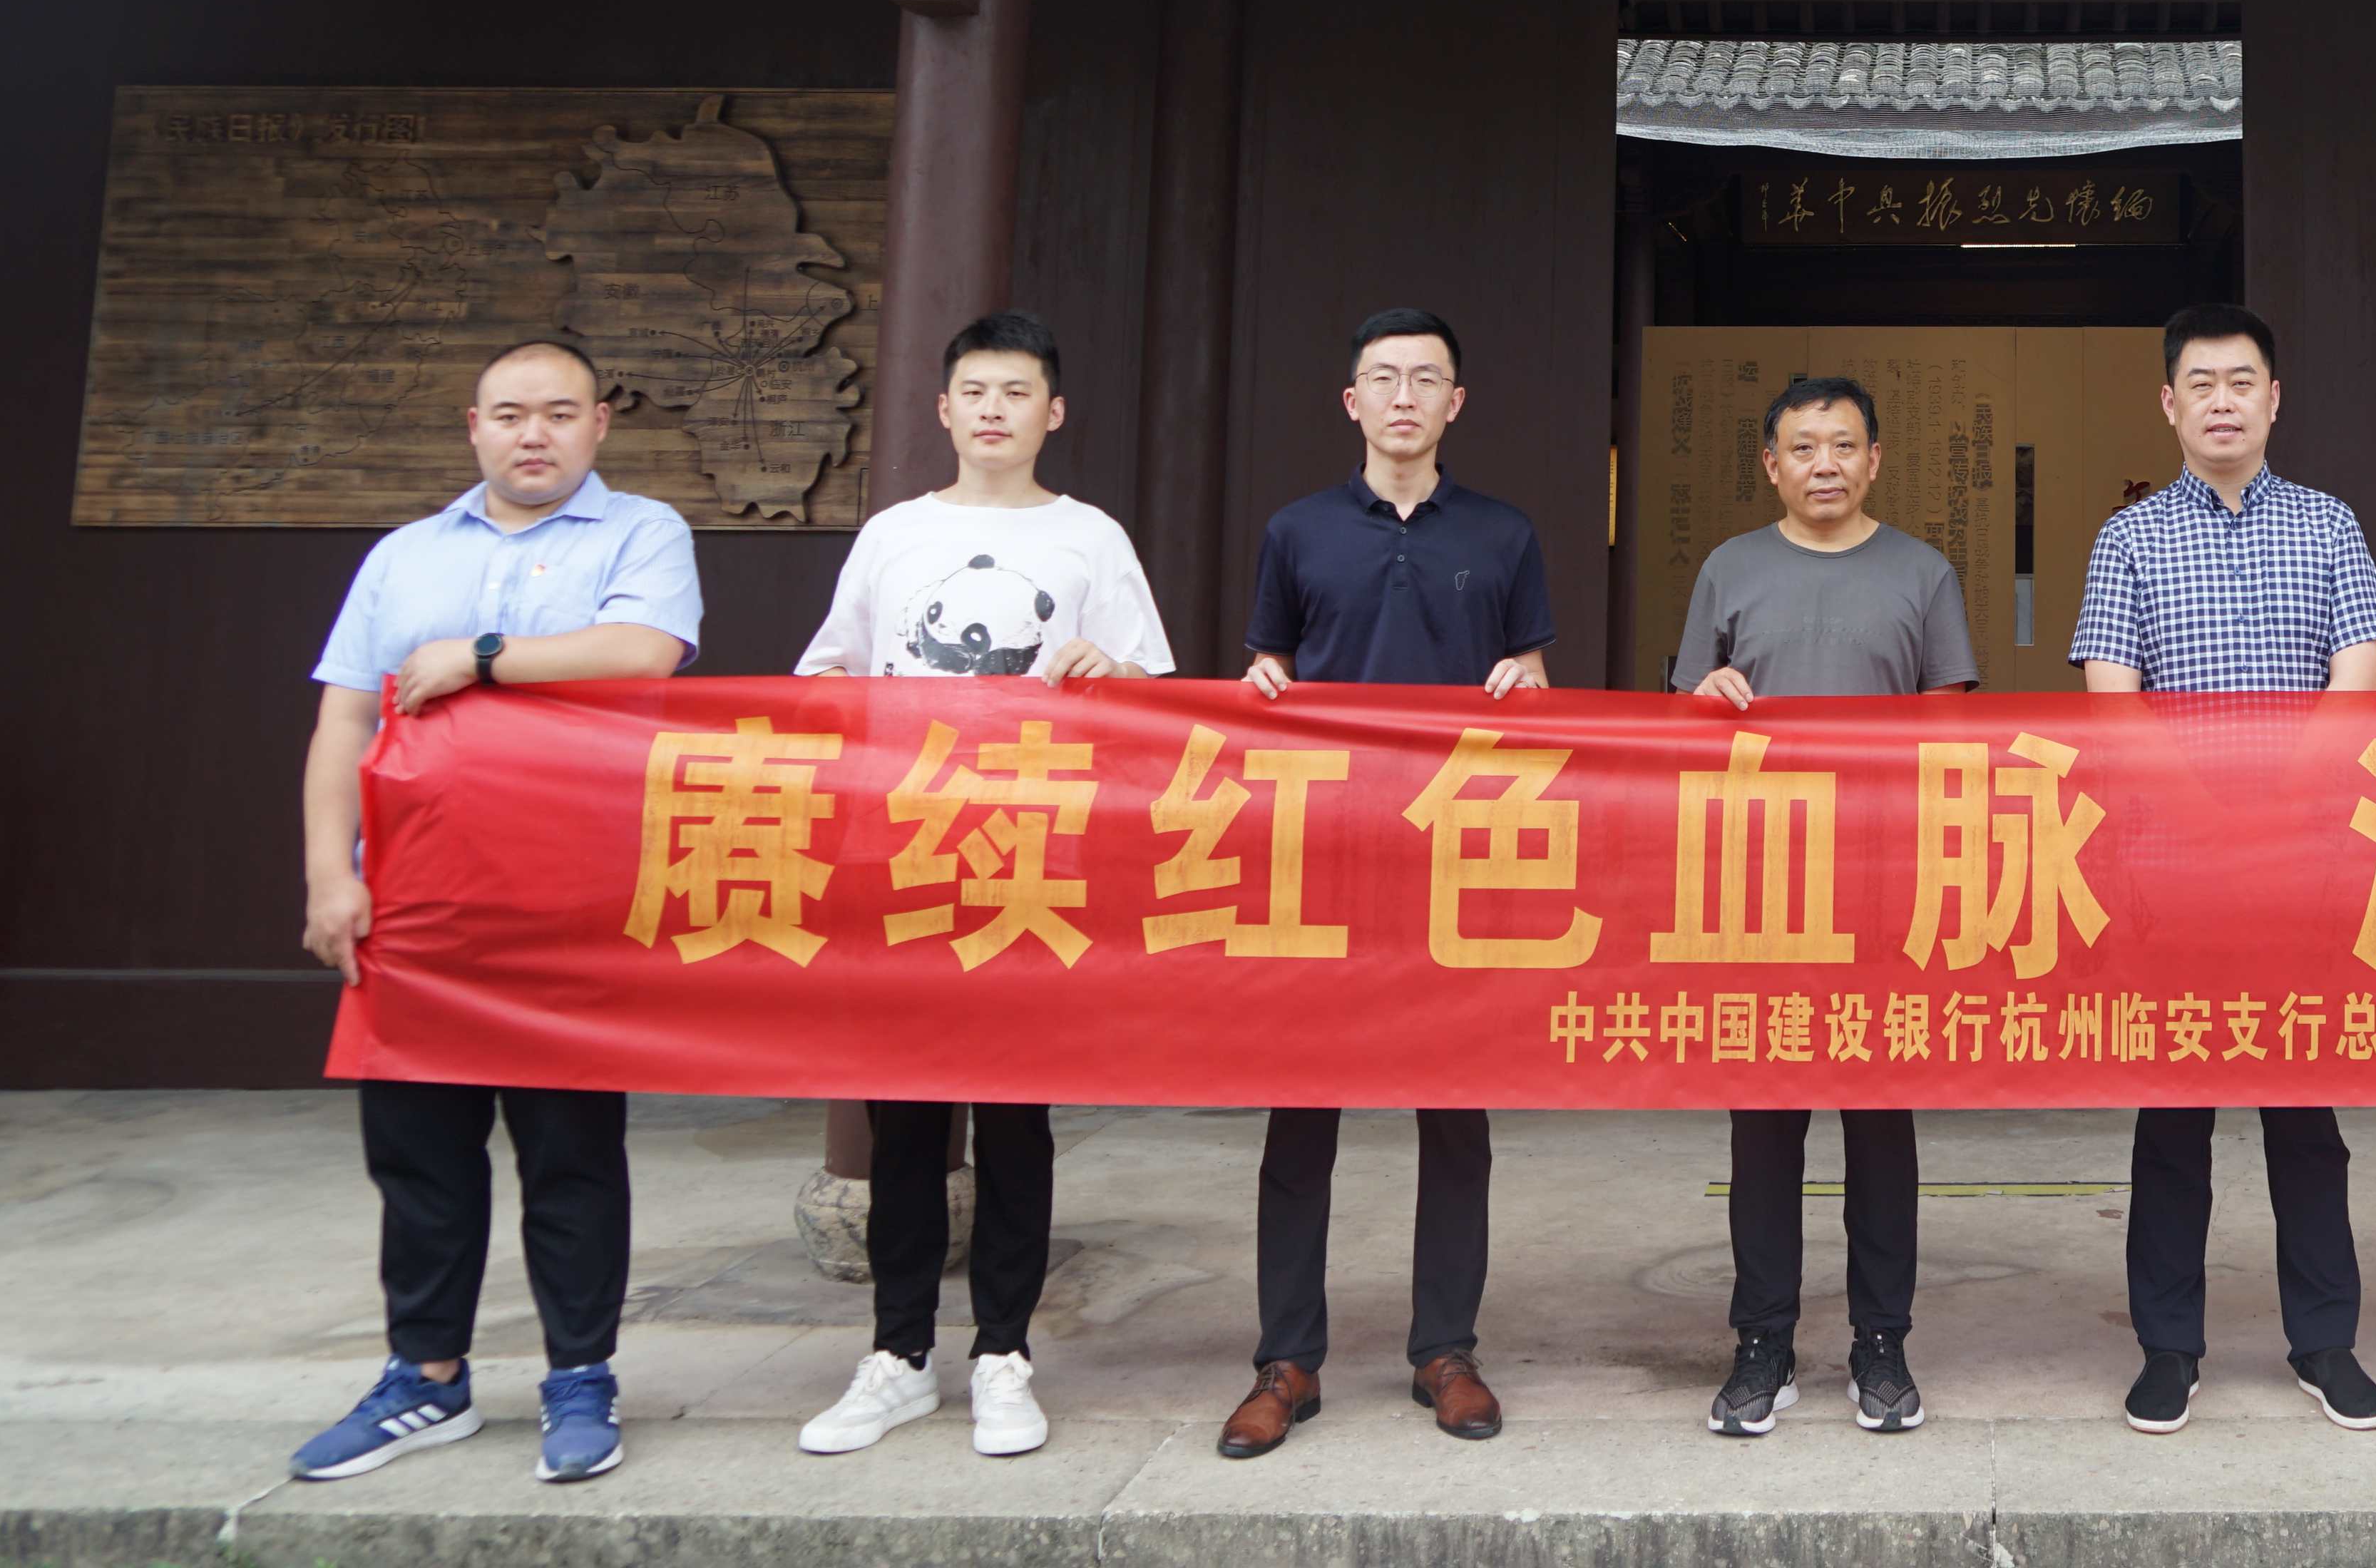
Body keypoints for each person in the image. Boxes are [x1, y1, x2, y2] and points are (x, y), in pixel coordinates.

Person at [288, 338, 700, 1487]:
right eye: (511, 414)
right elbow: (344, 722)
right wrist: (329, 874)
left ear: (599, 425)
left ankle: (581, 1377)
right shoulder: (403, 555)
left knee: (572, 1150)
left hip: (569, 898)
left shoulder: (642, 533)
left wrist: (483, 657)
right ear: (473, 426)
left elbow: (645, 652)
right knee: (418, 1150)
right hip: (412, 899)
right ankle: (426, 1377)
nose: (535, 434)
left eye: (560, 413)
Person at [790, 309, 1174, 1463]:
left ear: (1054, 412)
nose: (995, 410)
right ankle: (899, 1354)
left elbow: (1155, 695)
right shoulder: (893, 536)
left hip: (1031, 860)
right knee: (904, 1117)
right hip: (903, 857)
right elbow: (827, 677)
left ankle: (1004, 1352)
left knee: (1015, 1118)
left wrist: (1113, 674)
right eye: (976, 392)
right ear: (945, 410)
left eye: (1018, 392)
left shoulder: (1090, 538)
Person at [1218, 307, 1552, 1459]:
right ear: (1351, 400)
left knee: (1454, 1118)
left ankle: (1445, 1351)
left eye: (1425, 379)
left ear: (1456, 403)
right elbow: (1267, 668)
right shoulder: (1297, 531)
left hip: (1456, 864)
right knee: (1301, 1115)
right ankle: (1286, 1359)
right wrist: (1263, 683)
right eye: (1383, 378)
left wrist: (1527, 687)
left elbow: (1534, 679)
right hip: (1325, 863)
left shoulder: (1503, 535)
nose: (1404, 398)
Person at [2071, 301, 2376, 1437]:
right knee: (2174, 1120)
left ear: (2275, 398)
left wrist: (2276, 813)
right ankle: (2169, 1349)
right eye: (2201, 384)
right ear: (2170, 403)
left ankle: (2326, 1342)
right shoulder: (2128, 539)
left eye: (2242, 381)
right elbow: (2113, 705)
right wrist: (2211, 818)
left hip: (2305, 867)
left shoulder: (2329, 524)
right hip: (2173, 874)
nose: (2222, 401)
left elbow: (2357, 681)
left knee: (2305, 1116)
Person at [1674, 371, 1980, 1439]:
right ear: (1772, 465)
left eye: (1844, 446)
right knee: (1764, 1127)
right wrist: (1706, 698)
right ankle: (1761, 1341)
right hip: (1760, 887)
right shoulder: (1728, 569)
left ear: (1875, 459)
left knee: (1881, 1126)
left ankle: (1881, 1342)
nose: (1825, 466)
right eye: (1803, 448)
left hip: (1885, 886)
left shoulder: (1923, 572)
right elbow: (1683, 720)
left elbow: (1950, 732)